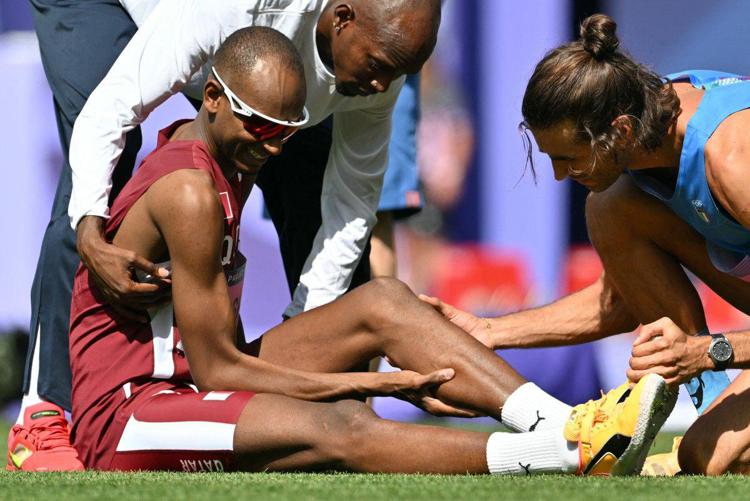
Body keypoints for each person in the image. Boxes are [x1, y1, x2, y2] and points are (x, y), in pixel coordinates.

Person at [64, 26, 672, 476]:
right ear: (212, 97)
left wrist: (355, 364)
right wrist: (369, 382)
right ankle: (563, 457)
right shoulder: (190, 193)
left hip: (192, 378)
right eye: (260, 127)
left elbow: (215, 364)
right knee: (343, 423)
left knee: (382, 299)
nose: (273, 148)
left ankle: (566, 424)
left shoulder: (229, 151)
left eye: (287, 130)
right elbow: (219, 368)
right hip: (133, 412)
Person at [12, 0, 438, 470]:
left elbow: (350, 205)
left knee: (299, 158)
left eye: (401, 72)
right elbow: (107, 114)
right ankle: (43, 412)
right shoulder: (233, 7)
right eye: (379, 65)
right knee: (97, 183)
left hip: (222, 43)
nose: (383, 84)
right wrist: (91, 235)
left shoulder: (380, 62)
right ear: (342, 18)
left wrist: (306, 334)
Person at [421, 13, 750, 476]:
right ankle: (713, 411)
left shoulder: (733, 160)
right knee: (608, 205)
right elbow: (618, 303)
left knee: (709, 457)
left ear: (620, 131)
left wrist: (707, 351)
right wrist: (489, 332)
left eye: (568, 159)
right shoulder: (642, 126)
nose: (559, 175)